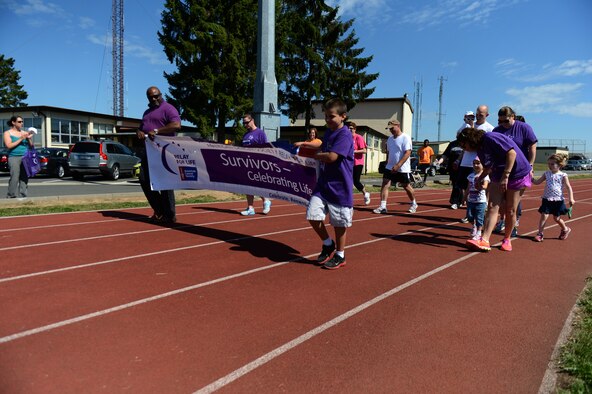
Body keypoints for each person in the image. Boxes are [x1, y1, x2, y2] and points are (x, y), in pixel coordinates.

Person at [459, 128, 531, 252]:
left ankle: (507, 239)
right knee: (493, 205)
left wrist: (506, 176)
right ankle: (485, 240)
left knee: (510, 209)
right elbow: (488, 167)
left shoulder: (490, 137)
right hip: (499, 174)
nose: (464, 149)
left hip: (517, 173)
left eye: (464, 145)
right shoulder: (480, 149)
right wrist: (480, 178)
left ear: (470, 139)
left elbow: (511, 153)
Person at [306, 98, 354, 270]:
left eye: (331, 117)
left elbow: (332, 157)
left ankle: (340, 255)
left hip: (340, 186)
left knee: (339, 223)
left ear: (343, 116)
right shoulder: (328, 133)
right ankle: (328, 244)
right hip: (323, 184)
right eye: (325, 116)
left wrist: (315, 156)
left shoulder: (345, 134)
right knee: (312, 214)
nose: (327, 120)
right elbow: (323, 152)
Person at [136, 86, 181, 223]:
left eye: (157, 96)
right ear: (148, 98)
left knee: (165, 183)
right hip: (148, 151)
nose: (154, 99)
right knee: (144, 180)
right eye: (151, 97)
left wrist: (157, 130)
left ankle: (170, 215)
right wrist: (138, 131)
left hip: (163, 151)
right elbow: (141, 127)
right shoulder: (146, 112)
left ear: (161, 95)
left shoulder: (168, 108)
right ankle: (160, 211)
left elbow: (176, 125)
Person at [492, 107, 537, 237]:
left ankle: (514, 224)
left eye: (505, 121)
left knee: (513, 202)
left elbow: (532, 146)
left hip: (519, 169)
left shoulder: (523, 128)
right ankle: (502, 220)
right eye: (499, 121)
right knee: (501, 199)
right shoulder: (497, 130)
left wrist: (530, 165)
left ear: (513, 117)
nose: (502, 124)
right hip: (501, 168)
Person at [373, 119, 418, 214]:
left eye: (392, 128)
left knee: (406, 186)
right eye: (389, 129)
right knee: (385, 184)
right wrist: (386, 163)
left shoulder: (405, 137)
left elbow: (408, 153)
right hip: (389, 167)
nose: (391, 130)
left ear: (398, 125)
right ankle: (383, 206)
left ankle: (414, 203)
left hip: (402, 168)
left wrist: (398, 165)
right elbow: (389, 152)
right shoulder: (389, 139)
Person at [455, 106, 494, 209]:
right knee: (465, 187)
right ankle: (469, 210)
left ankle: (484, 206)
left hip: (479, 162)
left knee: (482, 186)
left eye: (480, 115)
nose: (477, 117)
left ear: (487, 115)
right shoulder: (467, 125)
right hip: (466, 161)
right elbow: (459, 138)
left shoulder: (489, 128)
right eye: (476, 114)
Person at [531, 153, 574, 242]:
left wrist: (571, 198)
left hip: (558, 200)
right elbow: (537, 182)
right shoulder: (546, 174)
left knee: (557, 218)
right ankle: (540, 234)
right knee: (544, 216)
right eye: (549, 164)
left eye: (552, 164)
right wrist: (531, 177)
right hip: (547, 199)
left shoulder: (563, 175)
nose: (550, 166)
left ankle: (565, 229)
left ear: (559, 165)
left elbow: (568, 187)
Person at [240, 113, 272, 216]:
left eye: (246, 122)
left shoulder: (260, 133)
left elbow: (266, 148)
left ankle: (266, 200)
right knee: (247, 186)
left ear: (252, 120)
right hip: (246, 164)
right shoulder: (245, 135)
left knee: (256, 185)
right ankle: (250, 208)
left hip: (257, 163)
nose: (245, 125)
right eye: (243, 123)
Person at [3, 116, 34, 199]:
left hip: (25, 157)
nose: (22, 123)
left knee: (24, 176)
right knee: (15, 176)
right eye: (19, 122)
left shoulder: (24, 132)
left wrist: (29, 139)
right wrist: (21, 138)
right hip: (14, 157)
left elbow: (31, 146)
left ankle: (23, 196)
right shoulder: (7, 133)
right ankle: (11, 195)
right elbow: (9, 145)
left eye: (22, 122)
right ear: (13, 122)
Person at [463, 156, 490, 240]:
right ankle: (474, 226)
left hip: (480, 201)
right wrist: (464, 197)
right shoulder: (470, 176)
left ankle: (479, 232)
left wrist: (480, 186)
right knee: (470, 216)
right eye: (474, 163)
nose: (475, 165)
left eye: (478, 163)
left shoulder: (484, 176)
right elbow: (467, 188)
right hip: (471, 200)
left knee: (479, 217)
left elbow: (486, 186)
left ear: (483, 165)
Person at [348, 121, 371, 205]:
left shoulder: (359, 138)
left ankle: (365, 193)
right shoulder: (347, 138)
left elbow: (364, 150)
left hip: (358, 163)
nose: (349, 130)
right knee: (347, 181)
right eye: (348, 128)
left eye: (351, 129)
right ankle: (348, 198)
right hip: (349, 163)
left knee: (356, 181)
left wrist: (355, 151)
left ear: (355, 129)